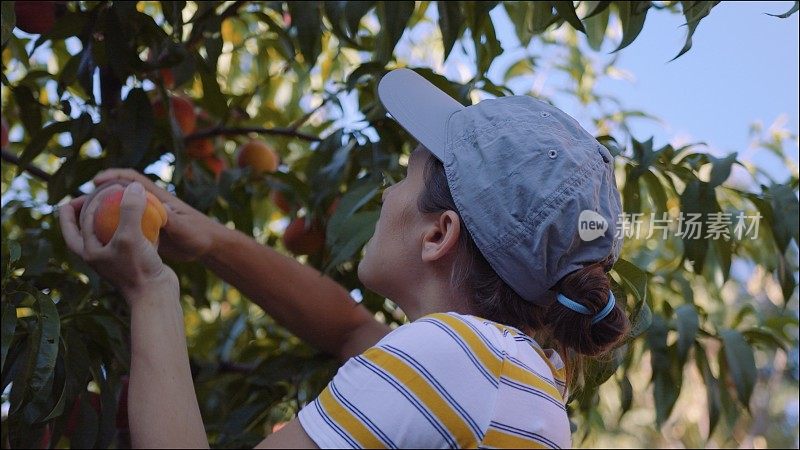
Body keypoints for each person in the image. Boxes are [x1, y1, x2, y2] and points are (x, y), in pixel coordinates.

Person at [59, 68, 629, 449]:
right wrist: (209, 237)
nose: (385, 194)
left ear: (438, 233)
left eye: (403, 177)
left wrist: (149, 287)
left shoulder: (453, 358)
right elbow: (348, 328)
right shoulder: (500, 370)